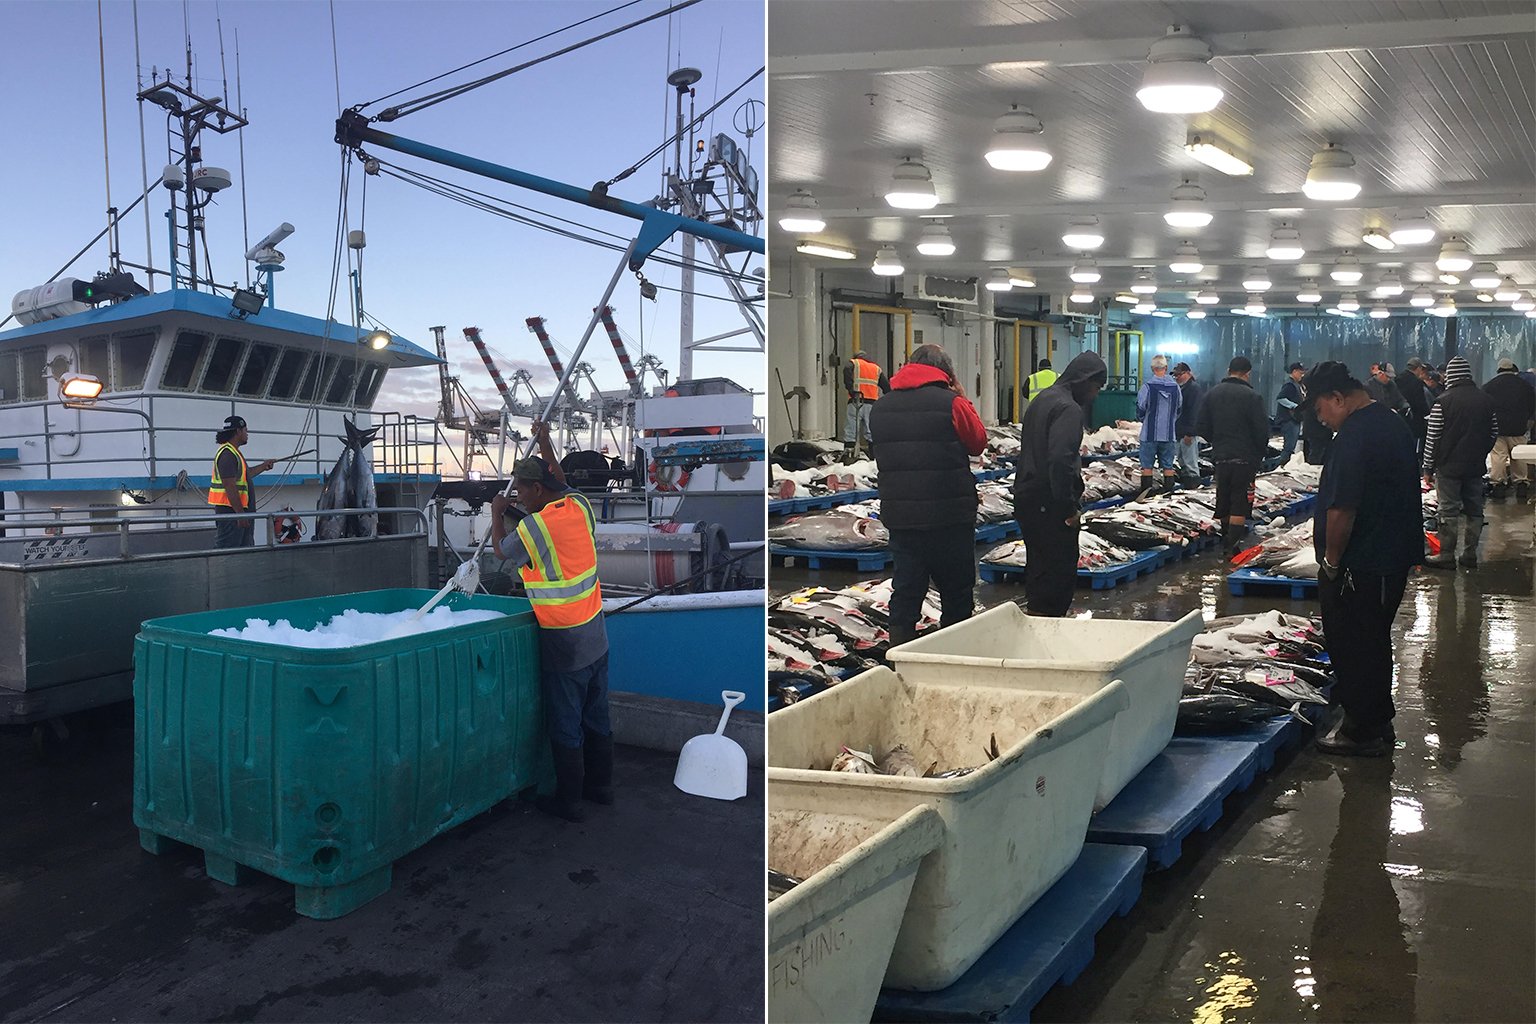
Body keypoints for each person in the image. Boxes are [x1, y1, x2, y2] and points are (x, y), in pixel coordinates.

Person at [491, 421, 612, 822]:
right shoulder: (578, 506)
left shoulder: (532, 527)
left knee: (565, 722)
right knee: (596, 715)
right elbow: (559, 479)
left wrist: (496, 513)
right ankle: (602, 788)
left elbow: (501, 552)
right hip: (596, 634)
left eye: (521, 490)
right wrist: (544, 442)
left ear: (536, 491)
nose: (518, 497)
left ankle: (570, 803)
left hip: (564, 641)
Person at [1302, 361, 1422, 756]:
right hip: (1388, 560)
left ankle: (1362, 731)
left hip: (1363, 564)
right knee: (1372, 641)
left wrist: (1332, 563)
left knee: (1355, 645)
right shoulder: (1389, 421)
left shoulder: (1355, 435)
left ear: (1338, 398)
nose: (1321, 420)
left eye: (1321, 410)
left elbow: (1342, 509)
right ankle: (1375, 722)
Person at [869, 344, 988, 647]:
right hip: (949, 518)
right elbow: (977, 442)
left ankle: (899, 656)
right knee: (956, 592)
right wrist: (959, 394)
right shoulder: (952, 403)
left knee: (907, 589)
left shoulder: (881, 407)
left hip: (901, 518)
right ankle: (954, 655)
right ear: (946, 373)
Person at [1014, 352, 1108, 617]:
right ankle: (1049, 633)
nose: (1096, 394)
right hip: (1050, 504)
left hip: (1028, 498)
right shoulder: (1068, 408)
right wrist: (1067, 508)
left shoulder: (1043, 398)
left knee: (1039, 572)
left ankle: (1037, 627)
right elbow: (1060, 459)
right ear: (1084, 379)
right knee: (1057, 578)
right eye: (1096, 387)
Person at [1422, 356, 1498, 569]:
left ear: (1451, 375)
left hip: (1448, 467)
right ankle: (1469, 554)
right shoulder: (1486, 400)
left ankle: (1446, 555)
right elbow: (1494, 432)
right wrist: (1481, 451)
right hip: (1475, 466)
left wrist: (1428, 466)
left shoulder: (1443, 402)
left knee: (1448, 511)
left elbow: (1433, 437)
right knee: (1474, 510)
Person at [1196, 357, 1270, 557]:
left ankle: (1226, 542)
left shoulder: (1211, 394)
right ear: (1247, 373)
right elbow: (1261, 430)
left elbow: (1201, 426)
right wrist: (1258, 454)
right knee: (1239, 501)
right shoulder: (1252, 396)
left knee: (1224, 498)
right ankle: (1232, 547)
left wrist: (1217, 442)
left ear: (1229, 370)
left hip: (1221, 456)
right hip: (1245, 458)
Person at [209, 415, 275, 548]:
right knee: (227, 549)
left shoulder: (234, 453)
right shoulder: (227, 454)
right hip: (230, 514)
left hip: (238, 512)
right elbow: (229, 485)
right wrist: (240, 515)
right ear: (238, 431)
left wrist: (263, 466)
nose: (247, 434)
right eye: (245, 430)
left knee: (243, 548)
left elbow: (246, 474)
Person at [1484, 357, 1536, 502]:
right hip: (1518, 427)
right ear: (1513, 369)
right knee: (1518, 457)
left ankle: (1498, 485)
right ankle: (1521, 484)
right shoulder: (1524, 386)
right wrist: (1529, 421)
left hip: (1497, 428)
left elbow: (1485, 407)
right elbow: (1532, 405)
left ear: (1498, 370)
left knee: (1498, 456)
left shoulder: (1489, 386)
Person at [1135, 355, 1182, 496]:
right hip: (1169, 434)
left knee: (1147, 467)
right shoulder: (1176, 388)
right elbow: (1179, 408)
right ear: (1166, 368)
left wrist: (1144, 419)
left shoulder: (1147, 387)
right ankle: (1168, 496)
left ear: (1152, 368)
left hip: (1149, 434)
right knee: (1168, 466)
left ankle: (1146, 496)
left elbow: (1141, 408)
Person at [841, 352, 890, 462]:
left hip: (855, 401)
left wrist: (850, 389)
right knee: (871, 430)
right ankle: (874, 457)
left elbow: (846, 373)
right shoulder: (876, 369)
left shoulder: (853, 363)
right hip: (871, 404)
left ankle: (849, 456)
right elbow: (886, 386)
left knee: (851, 430)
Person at [1173, 362, 1204, 487]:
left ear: (1187, 373)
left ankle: (1193, 488)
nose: (1177, 377)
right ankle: (1186, 487)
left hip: (1187, 434)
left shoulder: (1194, 389)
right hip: (1180, 432)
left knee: (1190, 463)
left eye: (1179, 375)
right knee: (1182, 461)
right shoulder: (1182, 389)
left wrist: (1190, 433)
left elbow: (1195, 412)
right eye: (1175, 376)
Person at [1395, 357, 1434, 454]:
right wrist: (1427, 413)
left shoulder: (1397, 379)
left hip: (1400, 417)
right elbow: (1420, 402)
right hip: (1415, 419)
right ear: (1417, 368)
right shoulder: (1417, 382)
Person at [1273, 362, 1306, 464]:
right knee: (1288, 448)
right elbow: (1280, 398)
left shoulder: (1297, 385)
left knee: (1290, 448)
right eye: (1301, 373)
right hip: (1289, 420)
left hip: (1294, 420)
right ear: (1294, 371)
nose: (1302, 375)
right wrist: (1295, 406)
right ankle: (1281, 466)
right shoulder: (1289, 385)